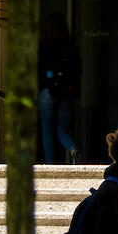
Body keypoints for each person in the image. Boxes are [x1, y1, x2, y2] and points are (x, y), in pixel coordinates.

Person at [37, 11, 82, 165]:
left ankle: (50, 165)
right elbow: (79, 70)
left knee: (47, 131)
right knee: (62, 130)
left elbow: (38, 70)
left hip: (47, 93)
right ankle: (73, 150)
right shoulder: (71, 46)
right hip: (67, 93)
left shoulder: (43, 46)